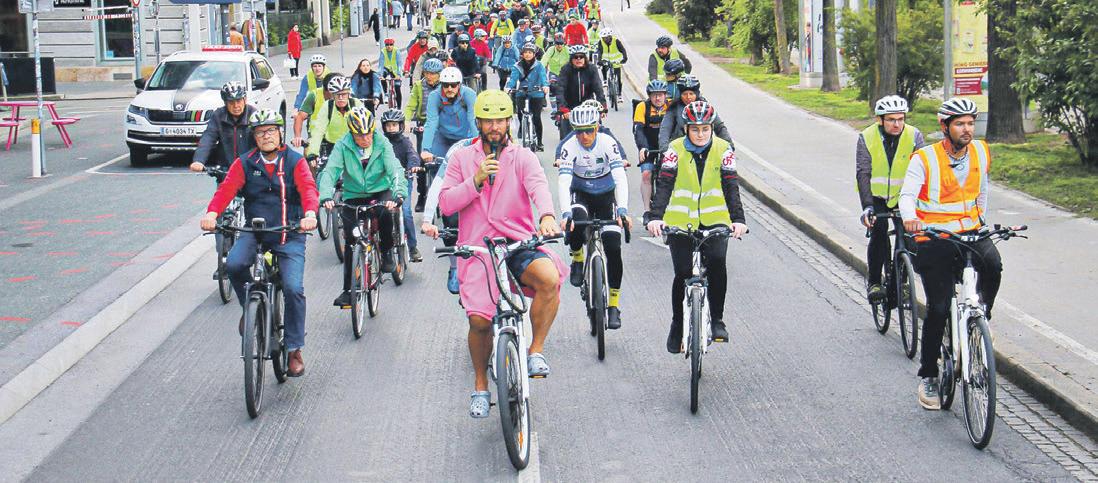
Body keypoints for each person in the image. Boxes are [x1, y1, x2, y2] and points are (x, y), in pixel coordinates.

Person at [437, 89, 565, 418]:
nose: (495, 127)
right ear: (478, 123)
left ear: (509, 122)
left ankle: (535, 351)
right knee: (479, 321)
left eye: (500, 120)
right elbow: (446, 204)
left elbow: (538, 186)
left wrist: (547, 216)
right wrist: (476, 181)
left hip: (517, 241)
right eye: (488, 121)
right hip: (478, 249)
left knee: (549, 279)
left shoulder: (522, 157)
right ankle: (480, 386)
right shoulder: (461, 159)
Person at [899, 98, 1000, 411]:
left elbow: (981, 190)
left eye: (970, 123)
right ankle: (929, 375)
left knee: (993, 264)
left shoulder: (980, 151)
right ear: (945, 127)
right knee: (940, 307)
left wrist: (981, 221)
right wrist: (910, 218)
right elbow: (907, 195)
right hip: (935, 237)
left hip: (970, 232)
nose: (967, 129)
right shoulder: (924, 158)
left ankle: (981, 317)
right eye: (960, 124)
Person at [201, 109, 319, 376]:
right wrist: (212, 214)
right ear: (253, 137)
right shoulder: (245, 162)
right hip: (255, 232)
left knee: (293, 288)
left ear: (280, 133)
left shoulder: (294, 161)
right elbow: (226, 190)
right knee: (233, 265)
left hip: (289, 232)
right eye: (260, 132)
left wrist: (310, 214)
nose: (266, 136)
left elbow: (308, 189)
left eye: (271, 130)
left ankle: (294, 348)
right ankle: (249, 307)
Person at [644, 101, 748, 353]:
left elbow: (731, 186)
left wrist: (738, 220)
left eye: (705, 129)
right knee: (682, 273)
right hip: (680, 220)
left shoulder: (724, 149)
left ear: (711, 128)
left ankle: (718, 320)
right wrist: (656, 217)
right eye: (695, 129)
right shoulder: (674, 150)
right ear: (686, 129)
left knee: (717, 263)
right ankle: (677, 325)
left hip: (716, 219)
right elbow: (665, 184)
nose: (700, 134)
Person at [319, 107, 408, 308]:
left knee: (385, 213)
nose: (365, 139)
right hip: (354, 194)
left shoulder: (381, 142)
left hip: (380, 190)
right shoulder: (343, 145)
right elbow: (330, 171)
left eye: (368, 133)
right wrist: (326, 196)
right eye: (360, 135)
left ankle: (386, 251)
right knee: (352, 241)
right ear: (351, 133)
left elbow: (394, 169)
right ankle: (348, 290)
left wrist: (399, 193)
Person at [556, 104, 629, 329]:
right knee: (576, 220)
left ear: (597, 127)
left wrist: (623, 210)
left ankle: (613, 305)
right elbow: (564, 181)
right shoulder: (569, 146)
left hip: (606, 195)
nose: (584, 136)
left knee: (613, 247)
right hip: (581, 193)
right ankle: (578, 258)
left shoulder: (608, 143)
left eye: (589, 130)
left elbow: (620, 177)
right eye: (579, 131)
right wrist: (565, 213)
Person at [856, 95, 925, 304]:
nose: (897, 124)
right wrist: (867, 207)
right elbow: (863, 173)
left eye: (900, 119)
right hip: (876, 197)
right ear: (880, 120)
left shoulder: (914, 136)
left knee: (909, 235)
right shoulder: (867, 137)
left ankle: (901, 282)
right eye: (891, 120)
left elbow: (924, 171)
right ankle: (875, 282)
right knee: (879, 232)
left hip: (904, 197)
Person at [380, 109, 424, 262]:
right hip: (385, 182)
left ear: (401, 126)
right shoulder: (380, 142)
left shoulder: (405, 142)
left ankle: (412, 247)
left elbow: (413, 155)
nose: (391, 128)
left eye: (394, 125)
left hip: (404, 180)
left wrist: (413, 166)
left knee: (405, 212)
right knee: (380, 211)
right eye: (388, 125)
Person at [406, 58, 446, 211]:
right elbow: (410, 106)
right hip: (423, 125)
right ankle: (422, 195)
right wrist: (407, 121)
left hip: (442, 126)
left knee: (444, 159)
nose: (430, 76)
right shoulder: (419, 86)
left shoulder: (445, 86)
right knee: (421, 162)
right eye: (427, 73)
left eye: (433, 74)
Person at [190, 81, 257, 172]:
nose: (236, 106)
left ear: (245, 99)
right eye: (231, 102)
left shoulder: (253, 115)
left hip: (249, 167)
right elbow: (208, 138)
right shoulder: (218, 115)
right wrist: (199, 160)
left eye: (238, 101)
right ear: (225, 102)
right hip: (226, 169)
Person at [657, 74, 733, 153]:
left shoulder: (705, 107)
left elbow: (720, 127)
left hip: (704, 148)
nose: (688, 97)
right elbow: (665, 129)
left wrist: (729, 146)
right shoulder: (673, 108)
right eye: (684, 94)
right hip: (680, 150)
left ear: (696, 94)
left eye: (691, 94)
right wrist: (664, 149)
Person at [421, 67, 478, 168]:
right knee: (434, 166)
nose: (449, 89)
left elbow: (472, 120)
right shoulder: (434, 96)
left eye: (453, 85)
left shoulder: (469, 94)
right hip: (443, 137)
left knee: (468, 167)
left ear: (459, 84)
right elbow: (431, 122)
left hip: (464, 138)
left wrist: (478, 145)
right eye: (446, 85)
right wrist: (426, 149)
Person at [553, 44, 606, 136]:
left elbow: (598, 88)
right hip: (570, 106)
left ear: (585, 58)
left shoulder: (592, 69)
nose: (578, 59)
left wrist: (602, 107)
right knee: (566, 137)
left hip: (588, 105)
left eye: (581, 57)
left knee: (597, 133)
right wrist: (563, 108)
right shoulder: (565, 69)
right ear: (571, 59)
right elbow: (560, 89)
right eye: (575, 57)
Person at [506, 42, 550, 151]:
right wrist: (509, 87)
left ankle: (539, 142)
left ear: (534, 54)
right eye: (525, 52)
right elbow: (513, 79)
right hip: (521, 92)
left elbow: (543, 77)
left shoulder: (539, 65)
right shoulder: (517, 66)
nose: (527, 54)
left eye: (530, 52)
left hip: (536, 93)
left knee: (537, 117)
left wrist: (545, 86)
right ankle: (523, 126)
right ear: (522, 54)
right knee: (520, 113)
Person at [632, 80, 669, 210]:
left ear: (665, 95)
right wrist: (642, 147)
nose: (657, 98)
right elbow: (638, 130)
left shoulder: (670, 106)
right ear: (649, 96)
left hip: (666, 145)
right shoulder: (642, 107)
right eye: (654, 95)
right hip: (648, 145)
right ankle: (647, 209)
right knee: (646, 174)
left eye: (660, 95)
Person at [308, 76, 363, 160]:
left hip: (354, 146)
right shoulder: (327, 106)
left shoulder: (356, 104)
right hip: (332, 147)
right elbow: (318, 130)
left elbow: (367, 127)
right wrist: (313, 153)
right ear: (333, 95)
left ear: (348, 94)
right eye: (337, 94)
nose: (340, 98)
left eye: (343, 94)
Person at [292, 72, 340, 150]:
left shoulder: (346, 97)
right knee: (308, 151)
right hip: (316, 137)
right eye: (333, 92)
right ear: (325, 89)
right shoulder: (315, 95)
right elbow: (300, 117)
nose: (338, 96)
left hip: (338, 137)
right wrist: (297, 137)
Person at [595, 28, 626, 100]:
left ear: (610, 37)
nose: (604, 39)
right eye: (603, 38)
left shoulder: (616, 41)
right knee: (603, 66)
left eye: (606, 38)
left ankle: (619, 95)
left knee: (618, 78)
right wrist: (599, 61)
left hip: (616, 61)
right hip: (606, 60)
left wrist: (624, 58)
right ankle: (605, 80)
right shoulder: (601, 42)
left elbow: (623, 50)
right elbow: (599, 52)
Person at [379, 38, 406, 108]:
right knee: (382, 77)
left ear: (393, 45)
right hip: (386, 68)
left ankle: (399, 108)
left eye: (391, 45)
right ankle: (386, 94)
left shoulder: (396, 51)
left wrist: (399, 74)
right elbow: (381, 65)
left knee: (397, 88)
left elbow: (399, 64)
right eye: (387, 45)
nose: (389, 46)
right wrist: (380, 75)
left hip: (395, 70)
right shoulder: (383, 51)